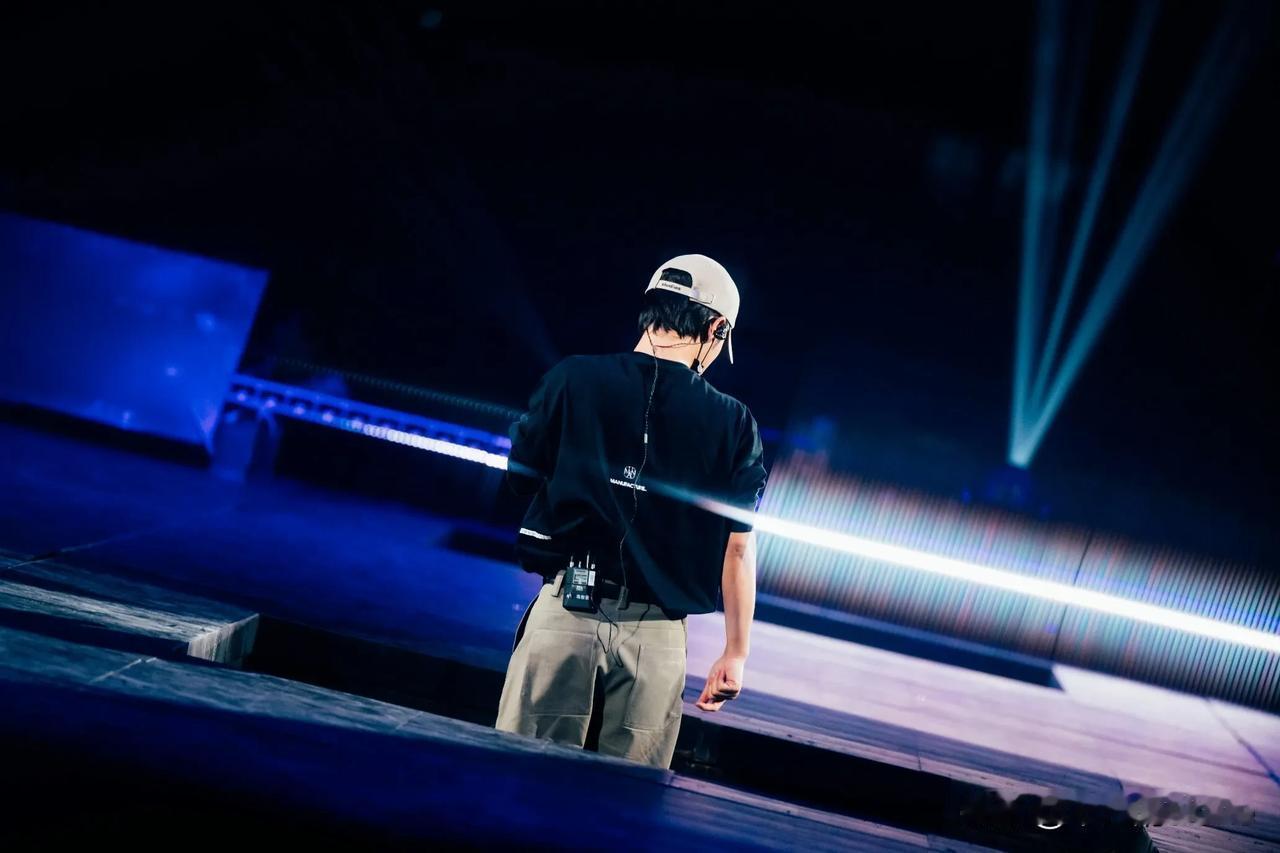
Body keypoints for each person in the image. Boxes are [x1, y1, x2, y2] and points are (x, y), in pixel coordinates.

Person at [494, 254, 768, 769]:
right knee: (628, 802)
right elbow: (737, 549)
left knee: (518, 780)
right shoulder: (735, 424)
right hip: (657, 636)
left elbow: (520, 477)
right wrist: (736, 652)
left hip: (565, 611)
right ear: (716, 328)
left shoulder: (572, 378)